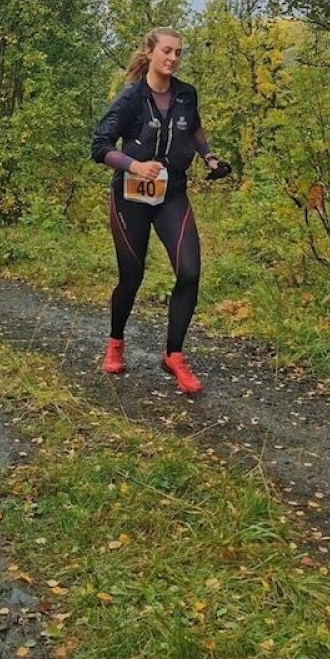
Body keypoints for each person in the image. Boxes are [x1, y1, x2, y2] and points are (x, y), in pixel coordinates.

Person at [91, 27, 228, 394]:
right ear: (150, 52)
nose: (172, 58)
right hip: (131, 198)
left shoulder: (186, 94)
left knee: (189, 271)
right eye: (166, 51)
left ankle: (174, 355)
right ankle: (116, 341)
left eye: (178, 53)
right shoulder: (132, 97)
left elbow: (194, 127)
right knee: (131, 278)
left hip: (172, 194)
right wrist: (134, 166)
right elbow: (99, 145)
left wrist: (209, 156)